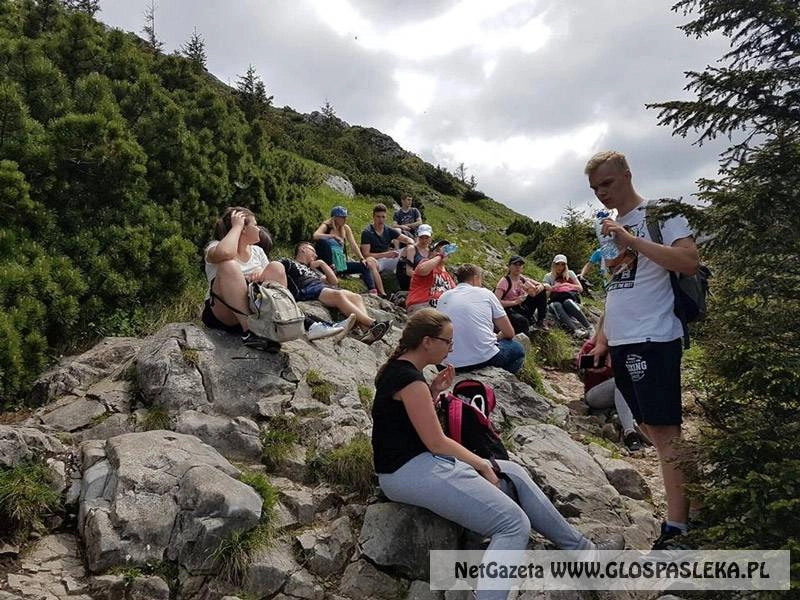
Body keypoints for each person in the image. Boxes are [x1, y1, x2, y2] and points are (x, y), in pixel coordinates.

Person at [372, 309, 624, 600]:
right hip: (408, 471)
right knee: (513, 524)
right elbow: (436, 442)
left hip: (412, 465)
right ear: (427, 341)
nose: (451, 347)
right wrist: (481, 465)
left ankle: (584, 553)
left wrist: (433, 391)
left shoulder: (400, 371)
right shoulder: (408, 379)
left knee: (513, 473)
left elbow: (404, 421)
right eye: (448, 341)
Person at [584, 150, 699, 549]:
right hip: (623, 338)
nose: (601, 193)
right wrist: (603, 335)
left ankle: (678, 529)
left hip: (654, 336)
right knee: (650, 426)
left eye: (607, 183)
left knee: (665, 431)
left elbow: (688, 261)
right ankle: (695, 499)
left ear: (627, 175)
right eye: (595, 188)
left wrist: (633, 240)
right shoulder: (608, 227)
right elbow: (616, 286)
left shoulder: (661, 213)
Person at [202, 207, 289, 352]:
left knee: (276, 267)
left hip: (255, 308)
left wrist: (260, 272)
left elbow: (272, 278)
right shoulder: (214, 247)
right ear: (243, 229)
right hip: (224, 313)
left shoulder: (258, 251)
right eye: (255, 225)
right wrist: (236, 226)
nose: (259, 229)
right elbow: (226, 253)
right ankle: (251, 332)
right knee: (229, 265)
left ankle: (277, 322)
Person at [280, 242, 391, 345]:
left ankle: (366, 331)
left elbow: (333, 281)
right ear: (303, 249)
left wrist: (322, 264)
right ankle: (372, 323)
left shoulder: (313, 270)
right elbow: (277, 269)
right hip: (306, 289)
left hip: (321, 287)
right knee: (338, 295)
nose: (316, 255)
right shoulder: (290, 263)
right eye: (313, 251)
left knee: (356, 297)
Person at [437, 264, 525, 374]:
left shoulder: (444, 297)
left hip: (446, 363)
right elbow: (509, 333)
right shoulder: (486, 293)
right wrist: (497, 337)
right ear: (475, 278)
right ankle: (493, 380)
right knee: (518, 349)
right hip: (480, 360)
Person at [576, 319, 646, 452]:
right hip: (594, 394)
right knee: (622, 381)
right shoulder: (591, 346)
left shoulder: (622, 349)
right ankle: (629, 432)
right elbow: (581, 367)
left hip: (617, 393)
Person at [312, 205, 386, 296]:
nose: (345, 219)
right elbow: (316, 235)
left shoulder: (345, 228)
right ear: (335, 217)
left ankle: (372, 290)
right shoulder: (327, 226)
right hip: (327, 261)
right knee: (324, 242)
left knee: (364, 266)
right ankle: (332, 270)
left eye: (345, 217)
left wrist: (362, 258)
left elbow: (353, 245)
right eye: (342, 217)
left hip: (340, 263)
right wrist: (332, 236)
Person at [494, 255, 549, 334]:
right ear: (509, 266)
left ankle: (541, 321)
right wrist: (515, 302)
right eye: (515, 265)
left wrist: (541, 287)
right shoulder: (504, 282)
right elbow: (496, 302)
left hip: (521, 307)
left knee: (541, 292)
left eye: (520, 265)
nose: (518, 267)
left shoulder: (522, 279)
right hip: (508, 309)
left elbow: (543, 287)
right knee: (523, 322)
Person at [543, 254, 593, 339]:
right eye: (558, 264)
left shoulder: (570, 273)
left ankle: (589, 327)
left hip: (568, 298)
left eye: (562, 264)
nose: (560, 267)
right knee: (556, 305)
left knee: (568, 303)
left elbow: (580, 288)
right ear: (554, 264)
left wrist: (567, 285)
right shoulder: (548, 276)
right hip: (554, 301)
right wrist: (553, 288)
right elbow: (545, 296)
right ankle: (575, 330)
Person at [360, 203, 414, 280]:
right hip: (376, 261)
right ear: (373, 217)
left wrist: (410, 243)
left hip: (389, 258)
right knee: (371, 266)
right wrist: (386, 254)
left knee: (410, 248)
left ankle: (409, 272)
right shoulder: (367, 232)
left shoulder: (388, 229)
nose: (380, 220)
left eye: (383, 217)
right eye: (378, 217)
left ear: (386, 217)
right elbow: (366, 255)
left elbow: (407, 239)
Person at [405, 240, 456, 316]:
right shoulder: (425, 262)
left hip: (440, 310)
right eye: (437, 250)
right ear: (431, 254)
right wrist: (441, 255)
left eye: (445, 251)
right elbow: (423, 270)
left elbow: (455, 293)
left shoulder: (447, 276)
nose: (441, 252)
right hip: (423, 305)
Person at [396, 223, 434, 291]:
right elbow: (409, 272)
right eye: (421, 237)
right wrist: (425, 278)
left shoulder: (431, 251)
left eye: (426, 237)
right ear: (417, 236)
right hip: (408, 280)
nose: (424, 240)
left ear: (431, 237)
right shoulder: (412, 248)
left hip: (422, 279)